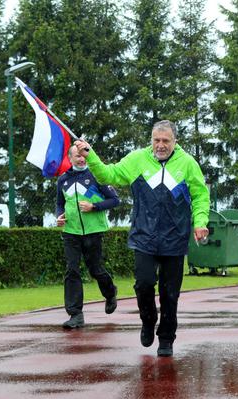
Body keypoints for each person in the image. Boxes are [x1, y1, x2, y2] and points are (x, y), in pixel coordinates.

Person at [75, 120, 210, 357]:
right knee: (144, 284)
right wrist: (91, 156)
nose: (160, 145)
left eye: (165, 141)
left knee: (170, 293)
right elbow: (109, 175)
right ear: (151, 140)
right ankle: (148, 320)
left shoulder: (187, 164)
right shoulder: (137, 159)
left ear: (175, 141)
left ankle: (166, 338)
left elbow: (200, 196)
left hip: (175, 239)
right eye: (156, 140)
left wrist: (200, 223)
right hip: (144, 237)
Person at [56, 144, 120, 329]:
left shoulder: (96, 176)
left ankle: (110, 293)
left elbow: (115, 200)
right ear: (70, 158)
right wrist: (59, 216)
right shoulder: (63, 179)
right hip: (71, 232)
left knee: (95, 269)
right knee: (72, 270)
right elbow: (60, 204)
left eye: (83, 155)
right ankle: (75, 314)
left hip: (93, 231)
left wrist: (94, 207)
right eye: (77, 156)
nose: (82, 159)